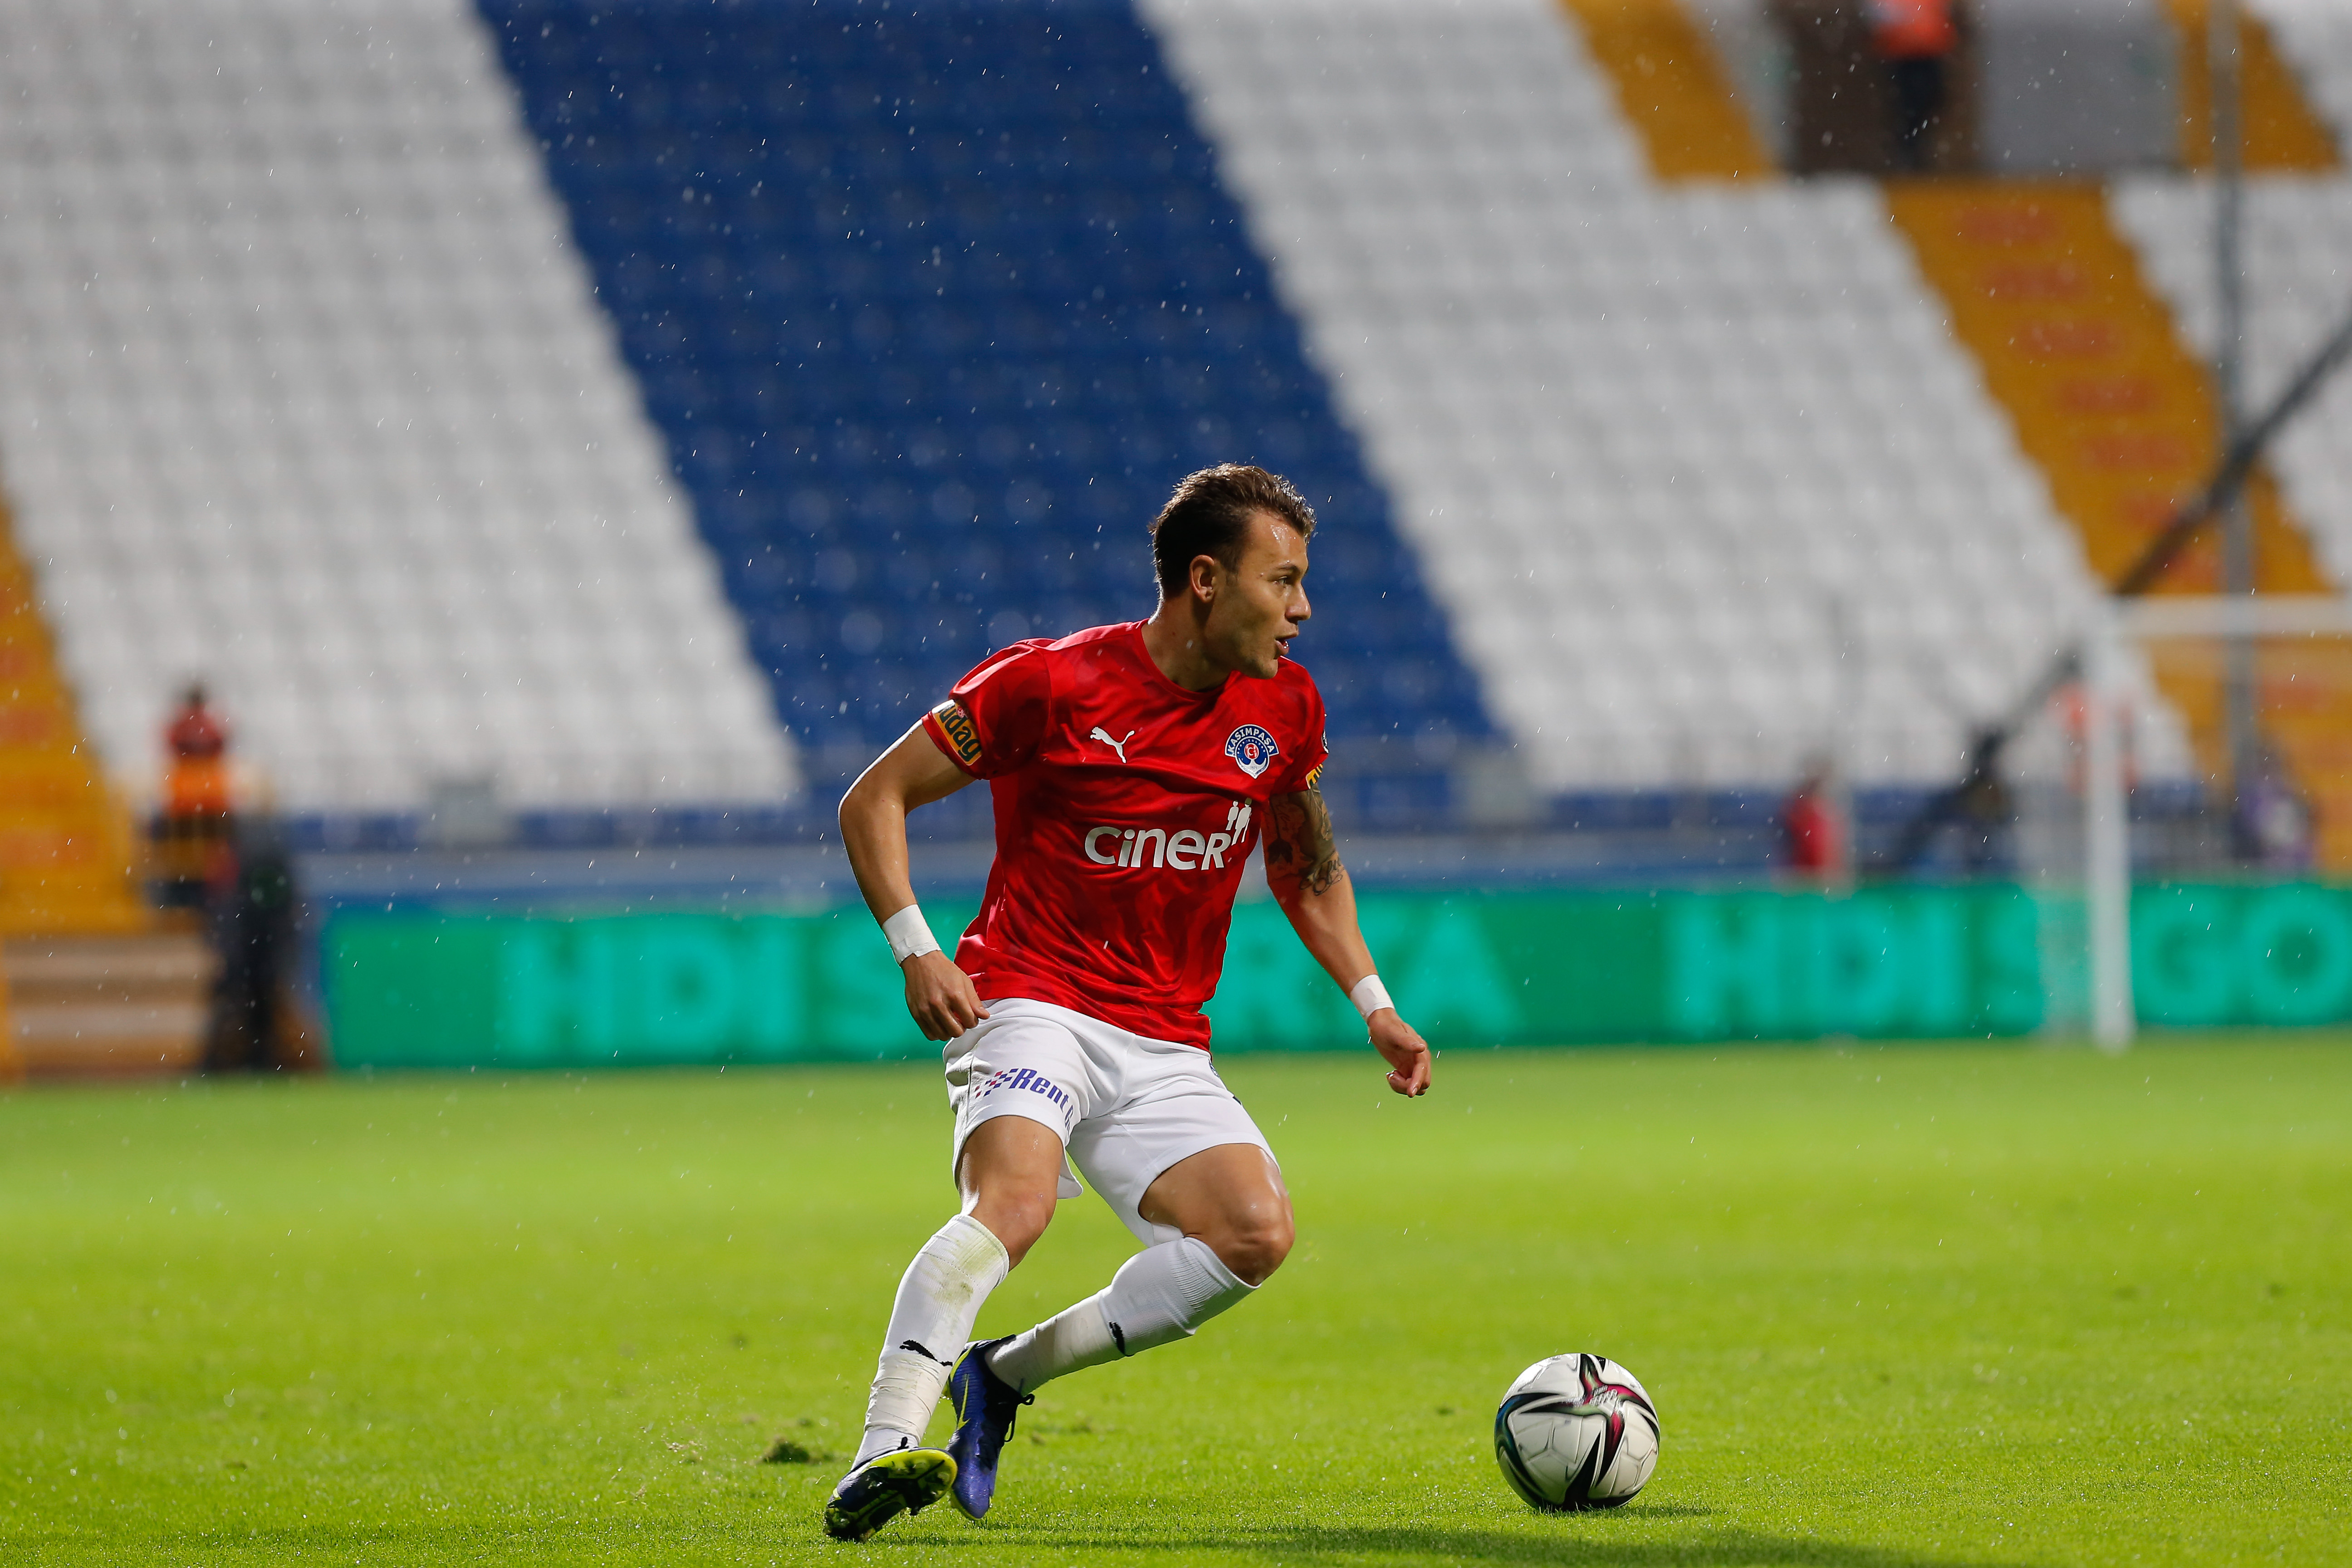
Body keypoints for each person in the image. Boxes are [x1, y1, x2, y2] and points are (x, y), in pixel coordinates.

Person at [822, 464, 1433, 1541]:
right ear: (1205, 580)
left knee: (1253, 1234)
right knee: (1014, 1208)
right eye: (1282, 580)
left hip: (1161, 1037)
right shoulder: (1050, 684)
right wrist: (917, 949)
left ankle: (1000, 1377)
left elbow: (1303, 863)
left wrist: (1372, 1000)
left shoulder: (1285, 708)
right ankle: (880, 1449)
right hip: (1031, 997)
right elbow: (875, 796)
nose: (1301, 608)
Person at [1869, 0, 1957, 172]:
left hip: (1930, 49)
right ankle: (1909, 147)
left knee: (1930, 98)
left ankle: (1913, 145)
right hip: (1904, 52)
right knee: (1910, 103)